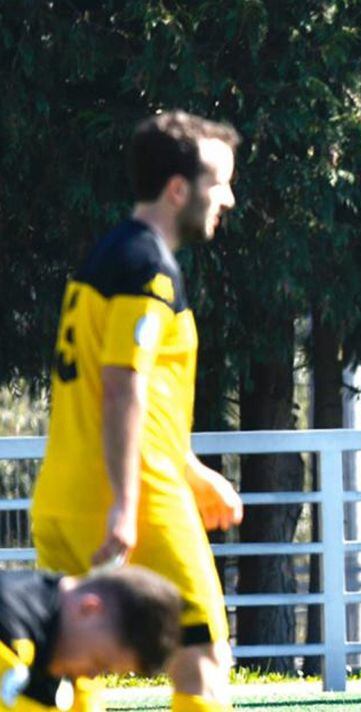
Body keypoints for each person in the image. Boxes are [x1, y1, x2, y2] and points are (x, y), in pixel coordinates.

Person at [30, 111, 243, 712]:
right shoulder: (147, 270)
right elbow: (122, 386)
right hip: (132, 504)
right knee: (202, 664)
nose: (226, 198)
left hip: (64, 503)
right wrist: (125, 508)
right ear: (179, 189)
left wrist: (192, 470)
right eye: (218, 183)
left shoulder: (106, 256)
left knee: (70, 673)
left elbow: (136, 397)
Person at [1, 566, 182, 711]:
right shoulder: (10, 631)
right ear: (90, 609)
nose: (92, 675)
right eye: (99, 662)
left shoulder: (57, 643)